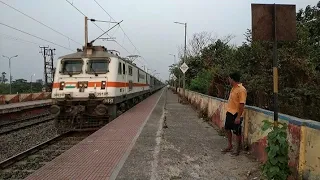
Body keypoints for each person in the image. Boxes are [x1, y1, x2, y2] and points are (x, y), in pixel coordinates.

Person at [221, 72, 247, 156]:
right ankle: (230, 145)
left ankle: (237, 149)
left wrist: (238, 117)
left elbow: (242, 104)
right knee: (227, 128)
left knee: (237, 132)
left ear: (232, 79)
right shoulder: (233, 88)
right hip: (230, 112)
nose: (228, 80)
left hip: (237, 113)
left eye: (229, 78)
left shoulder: (241, 89)